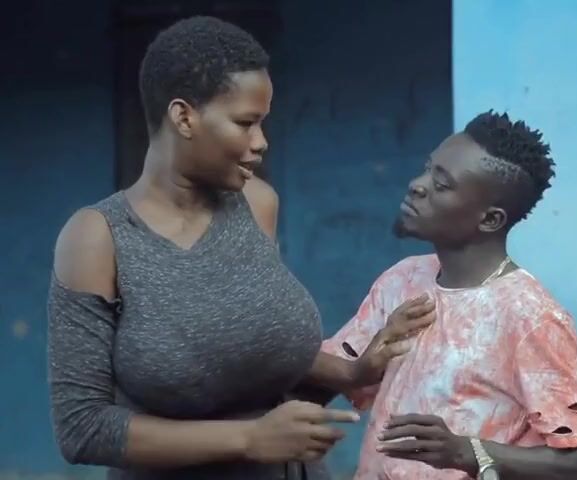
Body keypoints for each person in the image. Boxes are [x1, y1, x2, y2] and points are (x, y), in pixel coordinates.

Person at [47, 16, 434, 480]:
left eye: (262, 123)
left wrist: (352, 373)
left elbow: (253, 343)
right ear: (183, 117)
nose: (261, 142)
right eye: (245, 123)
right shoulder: (98, 237)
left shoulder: (257, 203)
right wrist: (249, 439)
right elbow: (82, 428)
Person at [322, 111, 577, 479]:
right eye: (427, 169)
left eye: (441, 184)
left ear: (490, 220)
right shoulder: (403, 280)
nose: (417, 185)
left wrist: (469, 452)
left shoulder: (529, 316)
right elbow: (335, 373)